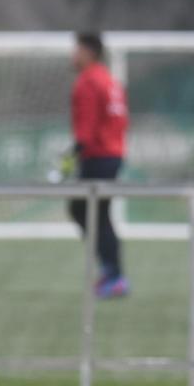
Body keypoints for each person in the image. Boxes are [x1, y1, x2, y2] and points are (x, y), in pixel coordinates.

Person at [68, 32, 129, 299]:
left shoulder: (89, 82)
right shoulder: (109, 79)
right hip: (112, 154)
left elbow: (87, 129)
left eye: (77, 50)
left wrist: (69, 158)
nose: (73, 55)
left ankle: (113, 274)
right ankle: (112, 271)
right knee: (97, 213)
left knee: (86, 212)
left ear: (89, 52)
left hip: (98, 155)